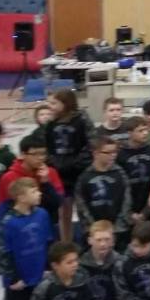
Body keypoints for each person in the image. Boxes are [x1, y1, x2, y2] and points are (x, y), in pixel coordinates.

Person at [44, 88, 94, 241]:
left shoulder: (82, 120)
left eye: (54, 103)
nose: (50, 106)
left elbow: (90, 145)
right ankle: (66, 241)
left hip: (79, 172)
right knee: (64, 211)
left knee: (83, 210)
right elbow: (47, 148)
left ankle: (87, 242)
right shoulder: (51, 124)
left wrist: (74, 163)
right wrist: (55, 164)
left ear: (65, 104)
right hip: (60, 174)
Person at [75, 137, 132, 250]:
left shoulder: (120, 174)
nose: (113, 155)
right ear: (96, 153)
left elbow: (127, 201)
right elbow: (82, 206)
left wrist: (117, 228)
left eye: (115, 152)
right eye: (108, 152)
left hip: (118, 231)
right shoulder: (85, 177)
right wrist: (95, 229)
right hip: (94, 233)